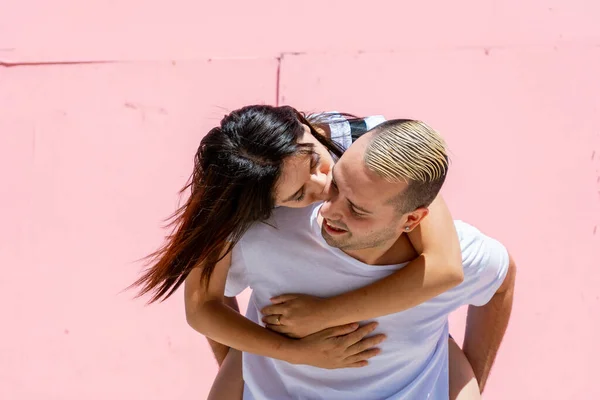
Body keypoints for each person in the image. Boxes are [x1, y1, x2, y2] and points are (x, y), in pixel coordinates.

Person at [130, 106, 478, 398]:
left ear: (302, 125)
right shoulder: (235, 200)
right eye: (298, 196)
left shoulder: (369, 145)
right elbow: (203, 307)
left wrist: (322, 315)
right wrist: (286, 356)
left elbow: (445, 267)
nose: (324, 185)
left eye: (315, 162)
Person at [213, 118, 516, 399]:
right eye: (337, 185)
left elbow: (500, 284)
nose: (328, 210)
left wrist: (470, 383)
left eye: (357, 210)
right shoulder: (268, 231)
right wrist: (243, 360)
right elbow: (207, 303)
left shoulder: (461, 255)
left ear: (412, 220)